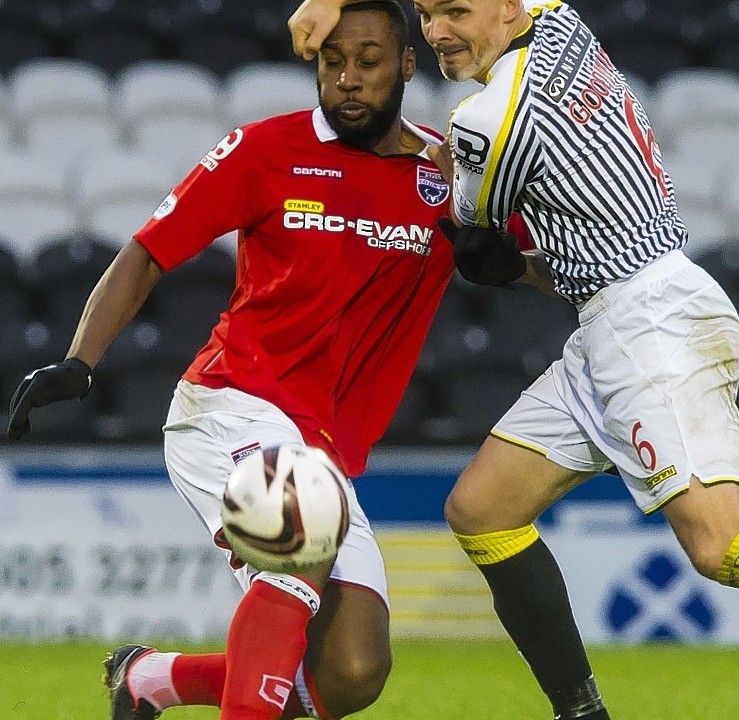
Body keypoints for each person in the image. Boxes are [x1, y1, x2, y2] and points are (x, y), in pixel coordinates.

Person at [288, 1, 739, 720]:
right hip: (617, 315)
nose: (437, 31)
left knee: (719, 541)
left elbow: (478, 250)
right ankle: (582, 712)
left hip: (648, 321)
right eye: (427, 13)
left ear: (506, 10)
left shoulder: (484, 119)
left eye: (457, 12)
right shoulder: (558, 19)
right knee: (482, 510)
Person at [6, 3, 454, 719]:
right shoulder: (264, 149)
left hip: (325, 445)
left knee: (352, 669)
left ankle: (150, 678)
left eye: (368, 62)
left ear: (406, 65)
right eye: (331, 61)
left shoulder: (447, 176)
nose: (346, 79)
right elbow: (148, 252)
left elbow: (533, 263)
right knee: (296, 545)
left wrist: (501, 243)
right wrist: (80, 360)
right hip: (234, 400)